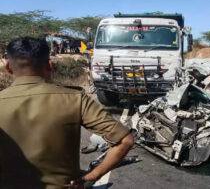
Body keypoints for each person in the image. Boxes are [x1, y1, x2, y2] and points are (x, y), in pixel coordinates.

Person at [0, 37, 134, 188]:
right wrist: (90, 177)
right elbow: (125, 140)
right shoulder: (75, 99)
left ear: (8, 68)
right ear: (50, 65)